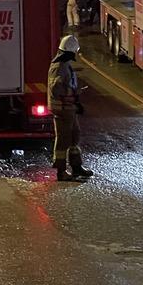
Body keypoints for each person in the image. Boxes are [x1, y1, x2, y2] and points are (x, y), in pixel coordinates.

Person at [48, 32, 94, 181]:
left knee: (74, 136)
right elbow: (56, 88)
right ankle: (61, 171)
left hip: (69, 108)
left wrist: (76, 100)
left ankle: (76, 167)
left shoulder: (64, 64)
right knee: (63, 140)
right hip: (62, 109)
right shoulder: (58, 66)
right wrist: (71, 94)